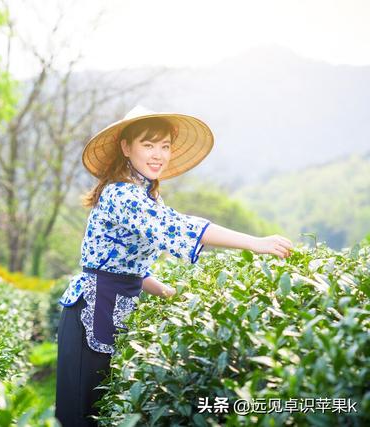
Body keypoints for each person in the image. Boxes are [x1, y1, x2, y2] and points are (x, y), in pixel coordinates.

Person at [54, 105, 293, 426]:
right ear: (126, 147)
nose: (159, 154)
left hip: (113, 312)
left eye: (165, 146)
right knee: (82, 416)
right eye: (148, 145)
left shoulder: (146, 196)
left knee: (105, 412)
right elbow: (179, 227)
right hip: (90, 315)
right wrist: (255, 242)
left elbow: (127, 266)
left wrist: (166, 291)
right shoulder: (122, 195)